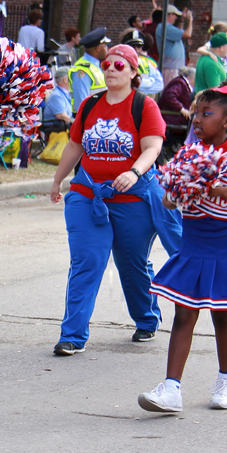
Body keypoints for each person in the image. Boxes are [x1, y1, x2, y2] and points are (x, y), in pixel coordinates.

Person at [139, 82, 227, 412]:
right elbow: (170, 202)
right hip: (193, 247)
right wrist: (175, 194)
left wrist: (218, 189)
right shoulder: (186, 154)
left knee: (221, 315)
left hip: (226, 248)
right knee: (184, 314)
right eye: (196, 113)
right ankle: (171, 389)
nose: (197, 119)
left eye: (206, 113)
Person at [50, 44, 181, 356]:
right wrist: (58, 180)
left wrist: (134, 172)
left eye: (119, 66)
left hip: (133, 197)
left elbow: (152, 147)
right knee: (87, 261)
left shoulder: (144, 106)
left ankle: (147, 319)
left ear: (134, 72)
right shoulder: (89, 104)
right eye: (107, 64)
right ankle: (72, 335)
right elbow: (74, 146)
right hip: (88, 194)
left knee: (131, 262)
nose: (110, 69)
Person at [68, 27, 110, 113]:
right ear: (98, 48)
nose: (107, 48)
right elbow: (82, 105)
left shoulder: (95, 67)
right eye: (105, 45)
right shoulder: (82, 70)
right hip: (89, 121)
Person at [155, 4, 192, 85]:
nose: (176, 18)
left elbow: (178, 33)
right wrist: (190, 21)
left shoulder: (167, 28)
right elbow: (187, 35)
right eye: (175, 15)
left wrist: (182, 20)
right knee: (171, 93)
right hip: (170, 69)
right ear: (170, 15)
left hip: (173, 68)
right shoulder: (164, 27)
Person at [122, 30, 163, 96]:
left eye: (138, 46)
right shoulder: (120, 64)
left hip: (143, 103)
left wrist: (138, 84)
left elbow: (159, 85)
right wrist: (150, 82)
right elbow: (124, 85)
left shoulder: (147, 63)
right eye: (132, 46)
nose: (136, 49)